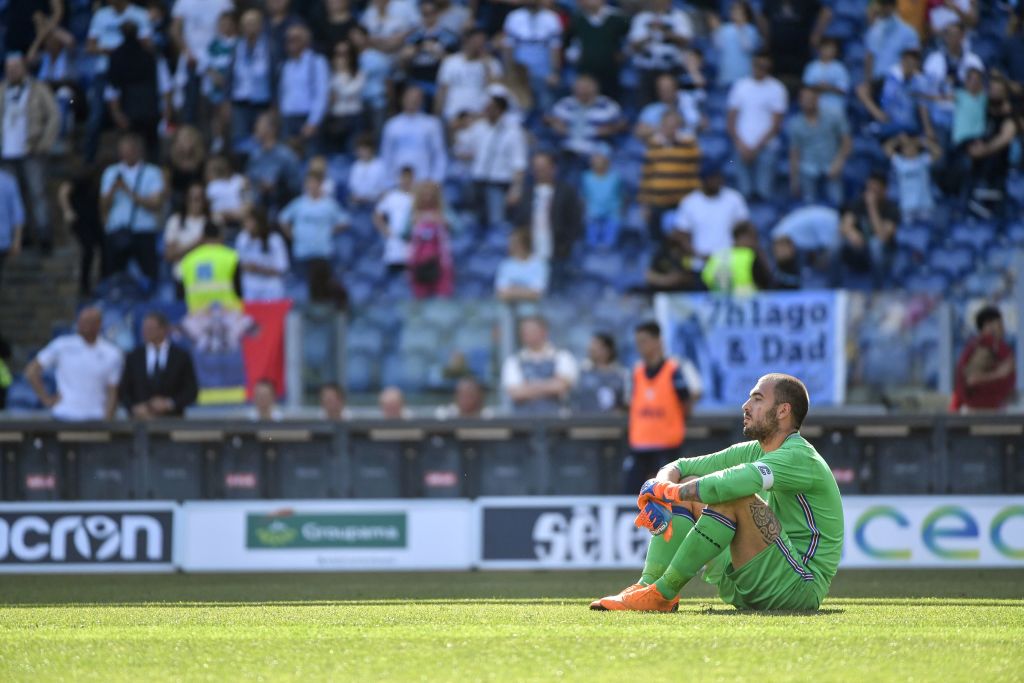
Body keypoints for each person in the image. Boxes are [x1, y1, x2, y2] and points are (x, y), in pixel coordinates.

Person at [591, 373, 843, 613]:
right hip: (754, 580)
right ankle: (647, 586)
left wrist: (673, 493)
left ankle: (663, 592)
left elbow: (733, 483)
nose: (745, 406)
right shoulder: (754, 450)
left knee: (733, 494)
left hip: (798, 588)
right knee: (691, 483)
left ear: (783, 411)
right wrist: (662, 486)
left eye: (757, 399)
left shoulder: (800, 457)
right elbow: (681, 466)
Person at [621, 320, 701, 494]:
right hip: (640, 444)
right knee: (630, 492)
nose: (640, 347)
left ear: (658, 341)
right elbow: (628, 402)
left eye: (644, 341)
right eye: (638, 342)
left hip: (667, 444)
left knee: (666, 494)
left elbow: (690, 397)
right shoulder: (635, 372)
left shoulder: (676, 368)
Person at [0, 53, 59, 254]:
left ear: (24, 68)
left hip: (31, 149)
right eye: (8, 68)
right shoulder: (1, 90)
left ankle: (44, 237)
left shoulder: (38, 89)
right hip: (6, 153)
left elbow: (54, 115)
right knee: (13, 196)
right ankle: (20, 237)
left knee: (37, 193)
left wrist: (44, 142)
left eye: (15, 67)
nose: (12, 71)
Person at [25, 307, 124, 421]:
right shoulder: (62, 345)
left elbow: (112, 390)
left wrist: (107, 419)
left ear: (99, 324)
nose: (83, 325)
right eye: (81, 321)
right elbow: (31, 371)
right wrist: (47, 400)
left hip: (96, 417)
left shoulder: (112, 353)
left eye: (88, 322)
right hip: (64, 415)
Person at [100, 133, 166, 283]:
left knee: (150, 275)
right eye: (123, 150)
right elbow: (103, 205)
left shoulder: (152, 172)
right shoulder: (111, 172)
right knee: (113, 277)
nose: (126, 154)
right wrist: (113, 190)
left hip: (143, 230)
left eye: (129, 150)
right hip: (117, 230)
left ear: (138, 151)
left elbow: (156, 204)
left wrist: (128, 191)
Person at [727, 51, 788, 201]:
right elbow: (730, 121)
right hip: (741, 147)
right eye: (757, 65)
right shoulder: (740, 86)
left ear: (769, 66)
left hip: (766, 147)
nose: (760, 68)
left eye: (763, 65)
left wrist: (755, 148)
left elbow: (776, 125)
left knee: (764, 192)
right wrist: (741, 145)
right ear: (752, 65)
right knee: (742, 194)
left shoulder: (777, 88)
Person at [463, 95, 528, 229]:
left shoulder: (513, 132)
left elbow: (519, 163)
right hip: (477, 181)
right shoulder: (478, 128)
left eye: (490, 108)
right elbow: (463, 149)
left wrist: (516, 190)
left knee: (496, 224)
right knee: (474, 222)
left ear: (500, 110)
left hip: (498, 184)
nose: (486, 110)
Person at [119, 311, 199, 419]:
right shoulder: (134, 357)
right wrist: (134, 407)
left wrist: (169, 403)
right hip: (140, 422)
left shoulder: (180, 356)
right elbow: (124, 390)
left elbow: (191, 390)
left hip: (172, 420)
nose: (145, 332)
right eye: (144, 328)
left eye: (150, 329)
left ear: (164, 330)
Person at [105, 20, 167, 160]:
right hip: (133, 109)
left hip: (148, 108)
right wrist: (117, 113)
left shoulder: (150, 55)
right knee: (132, 150)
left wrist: (117, 113)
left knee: (152, 151)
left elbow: (164, 85)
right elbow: (113, 88)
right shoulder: (118, 57)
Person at [637, 110, 700, 244]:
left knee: (683, 240)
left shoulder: (689, 144)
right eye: (667, 125)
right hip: (658, 203)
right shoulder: (653, 145)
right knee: (657, 240)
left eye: (674, 126)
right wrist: (645, 204)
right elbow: (647, 176)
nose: (670, 129)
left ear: (679, 127)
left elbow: (695, 172)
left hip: (683, 203)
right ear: (661, 126)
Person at [511, 152, 584, 262]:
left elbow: (574, 222)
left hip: (558, 253)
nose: (539, 171)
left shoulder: (566, 192)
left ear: (553, 168)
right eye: (536, 167)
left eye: (543, 167)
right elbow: (520, 221)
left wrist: (565, 246)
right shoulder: (527, 194)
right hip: (530, 253)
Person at [673, 161, 750, 262]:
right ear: (703, 180)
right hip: (700, 263)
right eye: (712, 177)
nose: (717, 180)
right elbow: (681, 235)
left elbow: (745, 228)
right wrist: (699, 255)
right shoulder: (690, 202)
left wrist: (735, 248)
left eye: (719, 176)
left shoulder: (734, 198)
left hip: (729, 262)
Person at [787, 87, 851, 206]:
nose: (808, 102)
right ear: (800, 101)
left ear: (817, 99)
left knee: (837, 203)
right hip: (808, 167)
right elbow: (794, 152)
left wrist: (839, 162)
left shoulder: (833, 116)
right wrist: (794, 180)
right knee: (808, 205)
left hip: (831, 165)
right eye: (804, 99)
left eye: (811, 98)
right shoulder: (795, 124)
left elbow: (847, 142)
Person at [279, 168, 349, 277]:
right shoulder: (299, 203)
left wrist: (329, 231)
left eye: (313, 182)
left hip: (322, 252)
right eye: (308, 182)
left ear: (320, 184)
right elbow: (283, 219)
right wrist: (291, 235)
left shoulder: (329, 204)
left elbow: (344, 221)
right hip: (302, 251)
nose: (311, 185)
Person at [501, 316, 578, 415]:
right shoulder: (513, 361)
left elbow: (561, 387)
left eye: (531, 330)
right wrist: (550, 385)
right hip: (523, 425)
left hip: (557, 424)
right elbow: (516, 393)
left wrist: (528, 387)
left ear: (544, 332)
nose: (526, 334)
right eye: (524, 331)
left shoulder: (562, 356)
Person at [837, 171, 899, 286]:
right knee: (836, 243)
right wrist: (851, 233)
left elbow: (883, 237)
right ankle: (833, 287)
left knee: (876, 245)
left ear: (884, 190)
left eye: (875, 190)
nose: (871, 193)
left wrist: (872, 207)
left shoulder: (891, 209)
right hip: (859, 249)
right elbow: (843, 226)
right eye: (869, 188)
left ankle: (878, 288)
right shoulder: (858, 203)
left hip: (884, 253)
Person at [950, 306, 1016, 412]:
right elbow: (971, 380)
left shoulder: (1000, 348)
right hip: (978, 411)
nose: (1003, 328)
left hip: (997, 408)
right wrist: (999, 373)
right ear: (987, 326)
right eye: (999, 324)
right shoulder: (982, 348)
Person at [548, 74, 626, 163]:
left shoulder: (608, 106)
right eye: (579, 87)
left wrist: (610, 129)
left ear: (595, 89)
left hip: (595, 149)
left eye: (586, 87)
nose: (582, 90)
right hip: (567, 148)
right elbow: (548, 119)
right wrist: (554, 124)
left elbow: (623, 125)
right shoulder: (564, 104)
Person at [627, 0, 694, 104]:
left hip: (673, 69)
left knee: (674, 103)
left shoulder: (678, 16)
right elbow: (634, 45)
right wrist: (651, 32)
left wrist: (665, 31)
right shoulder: (641, 17)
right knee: (646, 104)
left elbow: (686, 40)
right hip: (647, 69)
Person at [502, 0, 563, 114]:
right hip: (520, 71)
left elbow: (555, 48)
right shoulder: (514, 16)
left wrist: (555, 72)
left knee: (545, 107)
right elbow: (508, 47)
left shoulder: (551, 17)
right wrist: (509, 72)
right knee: (520, 108)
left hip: (543, 71)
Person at [278, 23, 330, 156]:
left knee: (311, 157)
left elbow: (321, 93)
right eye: (289, 39)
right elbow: (283, 92)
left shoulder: (317, 62)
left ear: (306, 41)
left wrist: (314, 121)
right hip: (288, 118)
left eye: (296, 39)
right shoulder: (286, 65)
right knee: (288, 158)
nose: (291, 42)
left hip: (307, 117)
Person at [756, 0, 831, 90]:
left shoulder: (806, 2)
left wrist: (816, 34)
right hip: (776, 54)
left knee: (800, 87)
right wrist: (766, 37)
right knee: (776, 87)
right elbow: (761, 16)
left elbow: (826, 12)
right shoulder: (771, 2)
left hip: (800, 54)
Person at [380, 86, 447, 185]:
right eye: (409, 98)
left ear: (421, 101)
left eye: (416, 98)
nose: (412, 101)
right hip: (398, 183)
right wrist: (387, 182)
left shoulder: (432, 124)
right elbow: (386, 155)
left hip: (424, 182)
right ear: (402, 99)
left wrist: (436, 180)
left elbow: (439, 154)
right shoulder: (392, 125)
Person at [230, 9, 275, 149]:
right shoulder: (237, 46)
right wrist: (226, 99)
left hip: (262, 103)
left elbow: (275, 76)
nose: (250, 27)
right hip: (240, 102)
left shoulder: (270, 46)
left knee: (262, 139)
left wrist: (275, 103)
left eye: (253, 23)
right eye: (246, 24)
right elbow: (230, 75)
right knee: (239, 142)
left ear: (261, 26)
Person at [436, 28, 502, 122]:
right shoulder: (450, 62)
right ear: (467, 41)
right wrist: (438, 114)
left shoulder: (492, 63)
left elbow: (495, 89)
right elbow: (442, 90)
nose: (479, 45)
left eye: (482, 42)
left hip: (479, 116)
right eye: (475, 41)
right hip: (452, 114)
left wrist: (486, 65)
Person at [568, 0, 629, 100]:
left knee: (611, 99)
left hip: (610, 71)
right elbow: (571, 42)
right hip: (586, 70)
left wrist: (625, 53)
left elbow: (630, 38)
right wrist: (574, 57)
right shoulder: (578, 18)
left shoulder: (618, 18)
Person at [176, 223, 243, 313]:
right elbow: (239, 288)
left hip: (197, 315)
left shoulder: (188, 259)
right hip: (227, 313)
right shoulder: (231, 256)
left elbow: (182, 288)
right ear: (221, 236)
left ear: (202, 237)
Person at [405, 181, 454, 299]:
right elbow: (403, 234)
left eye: (431, 194)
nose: (428, 198)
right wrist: (412, 222)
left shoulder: (444, 212)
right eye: (425, 194)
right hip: (418, 263)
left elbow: (459, 228)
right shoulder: (413, 214)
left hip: (441, 263)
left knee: (442, 298)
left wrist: (444, 221)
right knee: (420, 298)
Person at [246, 112, 303, 213]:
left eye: (259, 124)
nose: (256, 127)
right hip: (259, 211)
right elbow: (250, 182)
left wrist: (278, 187)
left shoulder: (286, 156)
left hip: (282, 209)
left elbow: (297, 187)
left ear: (271, 129)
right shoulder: (255, 156)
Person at [701, 221, 775, 293]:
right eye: (753, 237)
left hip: (719, 304)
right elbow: (766, 281)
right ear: (743, 236)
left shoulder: (717, 256)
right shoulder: (751, 256)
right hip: (747, 302)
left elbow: (706, 280)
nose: (756, 242)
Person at [882, 133, 942, 222]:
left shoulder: (923, 160)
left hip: (925, 205)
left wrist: (921, 141)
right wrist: (898, 139)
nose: (910, 149)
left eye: (912, 147)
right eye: (906, 147)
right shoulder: (899, 162)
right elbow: (886, 149)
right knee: (909, 234)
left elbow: (938, 152)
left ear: (917, 148)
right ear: (902, 150)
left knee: (926, 232)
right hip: (907, 207)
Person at [236, 206, 289, 301]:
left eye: (250, 221)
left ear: (259, 222)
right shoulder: (242, 238)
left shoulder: (274, 239)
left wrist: (259, 269)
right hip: (250, 287)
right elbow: (239, 263)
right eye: (245, 221)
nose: (246, 225)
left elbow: (282, 267)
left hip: (271, 288)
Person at [863, 0, 920, 84]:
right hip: (876, 83)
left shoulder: (909, 32)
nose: (885, 8)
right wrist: (868, 83)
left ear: (894, 7)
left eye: (888, 5)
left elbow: (913, 62)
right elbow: (869, 58)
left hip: (899, 83)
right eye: (883, 5)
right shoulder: (874, 30)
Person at [325, 40, 365, 155]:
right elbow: (329, 95)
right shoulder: (330, 75)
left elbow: (349, 92)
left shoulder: (359, 74)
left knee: (352, 152)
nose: (342, 58)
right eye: (338, 54)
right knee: (335, 154)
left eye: (345, 54)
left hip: (354, 116)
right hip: (337, 117)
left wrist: (341, 73)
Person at [374, 165, 416, 274]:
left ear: (413, 179)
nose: (406, 180)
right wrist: (385, 230)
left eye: (409, 177)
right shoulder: (391, 196)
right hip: (394, 247)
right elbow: (377, 215)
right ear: (399, 178)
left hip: (414, 247)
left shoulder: (418, 197)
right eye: (403, 177)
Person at [572, 333, 628, 414]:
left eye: (595, 344)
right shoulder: (582, 373)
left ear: (606, 350)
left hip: (611, 424)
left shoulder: (621, 375)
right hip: (585, 423)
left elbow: (625, 403)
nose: (590, 348)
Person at [711, 1, 760, 88]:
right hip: (726, 76)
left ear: (745, 14)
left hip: (745, 77)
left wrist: (741, 28)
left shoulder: (751, 30)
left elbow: (748, 48)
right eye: (733, 11)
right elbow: (717, 46)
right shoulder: (725, 29)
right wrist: (715, 30)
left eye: (739, 12)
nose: (735, 14)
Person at [581, 145, 622, 248]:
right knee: (591, 234)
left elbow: (620, 196)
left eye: (600, 157)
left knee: (612, 232)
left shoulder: (615, 178)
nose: (597, 161)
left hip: (611, 215)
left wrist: (617, 212)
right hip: (592, 215)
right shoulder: (586, 178)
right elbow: (584, 197)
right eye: (595, 157)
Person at [495, 228, 549, 302]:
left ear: (523, 244)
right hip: (508, 306)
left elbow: (537, 294)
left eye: (513, 243)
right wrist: (526, 291)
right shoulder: (506, 265)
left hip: (533, 307)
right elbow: (501, 294)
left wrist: (512, 290)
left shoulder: (539, 264)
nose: (509, 246)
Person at [802, 37, 850, 120]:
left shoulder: (840, 68)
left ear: (836, 51)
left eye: (831, 49)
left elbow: (843, 89)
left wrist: (828, 87)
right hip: (815, 108)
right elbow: (806, 87)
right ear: (819, 50)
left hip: (835, 107)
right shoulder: (812, 66)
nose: (828, 51)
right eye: (825, 48)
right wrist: (819, 87)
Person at [163, 182, 209, 264]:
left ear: (204, 200)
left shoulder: (213, 220)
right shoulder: (175, 220)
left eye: (198, 199)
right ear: (185, 200)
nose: (194, 203)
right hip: (182, 271)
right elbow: (169, 255)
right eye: (190, 199)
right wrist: (195, 244)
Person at [348, 134, 388, 209]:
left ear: (371, 149)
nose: (362, 152)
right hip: (358, 204)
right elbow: (353, 188)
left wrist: (370, 198)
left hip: (374, 204)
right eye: (360, 149)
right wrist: (357, 197)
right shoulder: (356, 166)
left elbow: (384, 190)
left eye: (365, 148)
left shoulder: (380, 166)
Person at [0, 168, 24, 286]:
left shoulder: (8, 181)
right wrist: (17, 240)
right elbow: (18, 213)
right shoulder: (8, 181)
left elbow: (17, 213)